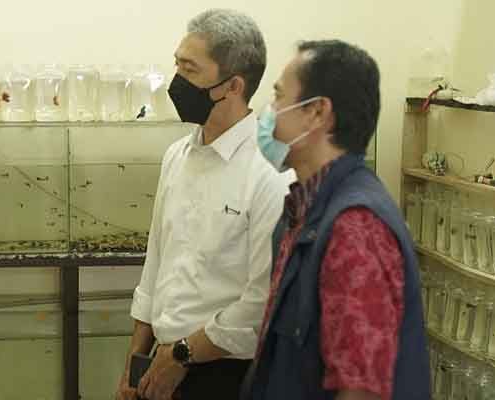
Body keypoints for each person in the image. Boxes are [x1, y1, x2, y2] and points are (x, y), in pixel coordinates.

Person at [115, 8, 293, 400]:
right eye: (177, 65)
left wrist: (183, 355)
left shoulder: (271, 172)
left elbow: (261, 301)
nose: (177, 81)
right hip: (160, 363)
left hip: (226, 372)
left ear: (233, 86)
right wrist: (134, 361)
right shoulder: (177, 157)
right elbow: (156, 265)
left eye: (190, 70)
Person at [242, 40, 430, 400]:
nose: (270, 111)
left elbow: (360, 389)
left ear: (317, 112)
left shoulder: (355, 226)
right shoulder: (304, 209)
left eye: (279, 97)